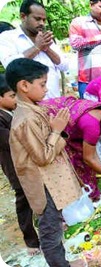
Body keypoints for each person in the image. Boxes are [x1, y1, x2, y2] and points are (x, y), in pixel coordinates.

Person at [6, 58, 84, 266]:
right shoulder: (26, 119)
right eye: (42, 84)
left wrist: (55, 130)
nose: (46, 89)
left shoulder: (33, 109)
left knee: (55, 225)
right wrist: (57, 130)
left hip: (50, 181)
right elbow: (43, 156)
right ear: (24, 85)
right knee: (50, 231)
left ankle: (63, 263)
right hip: (42, 184)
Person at [40, 97, 101, 201]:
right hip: (50, 126)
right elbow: (89, 159)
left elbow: (92, 152)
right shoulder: (92, 125)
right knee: (74, 168)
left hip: (64, 127)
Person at [0, 74, 40, 256]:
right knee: (24, 200)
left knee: (39, 192)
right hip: (16, 167)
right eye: (12, 96)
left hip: (30, 162)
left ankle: (46, 223)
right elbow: (12, 141)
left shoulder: (14, 111)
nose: (16, 99)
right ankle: (31, 240)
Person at [0, 0, 68, 99]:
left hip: (54, 100)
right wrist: (37, 47)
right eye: (37, 19)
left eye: (44, 20)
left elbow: (65, 66)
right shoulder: (7, 37)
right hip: (30, 107)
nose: (42, 23)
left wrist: (47, 49)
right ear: (23, 16)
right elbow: (10, 66)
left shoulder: (46, 38)